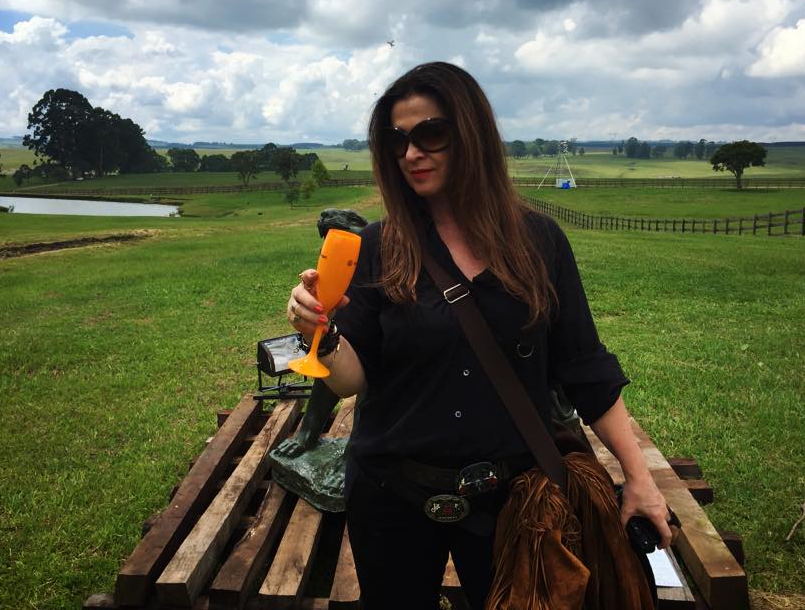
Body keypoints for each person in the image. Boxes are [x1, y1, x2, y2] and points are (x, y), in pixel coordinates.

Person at [285, 62, 671, 609]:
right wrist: (320, 334)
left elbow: (586, 369)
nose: (411, 153)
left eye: (431, 134)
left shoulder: (539, 242)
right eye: (397, 141)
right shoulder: (377, 247)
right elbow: (351, 381)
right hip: (391, 496)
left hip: (512, 502)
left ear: (472, 135)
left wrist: (639, 477)